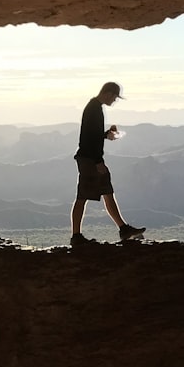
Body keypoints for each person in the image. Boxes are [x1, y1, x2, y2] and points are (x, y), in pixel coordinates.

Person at [70, 81, 146, 246]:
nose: (114, 101)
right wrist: (98, 161)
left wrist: (106, 134)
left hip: (90, 158)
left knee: (107, 191)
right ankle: (76, 236)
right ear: (108, 93)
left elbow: (93, 135)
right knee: (83, 196)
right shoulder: (94, 109)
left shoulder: (95, 107)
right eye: (114, 97)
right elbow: (89, 139)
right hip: (90, 159)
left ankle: (124, 229)